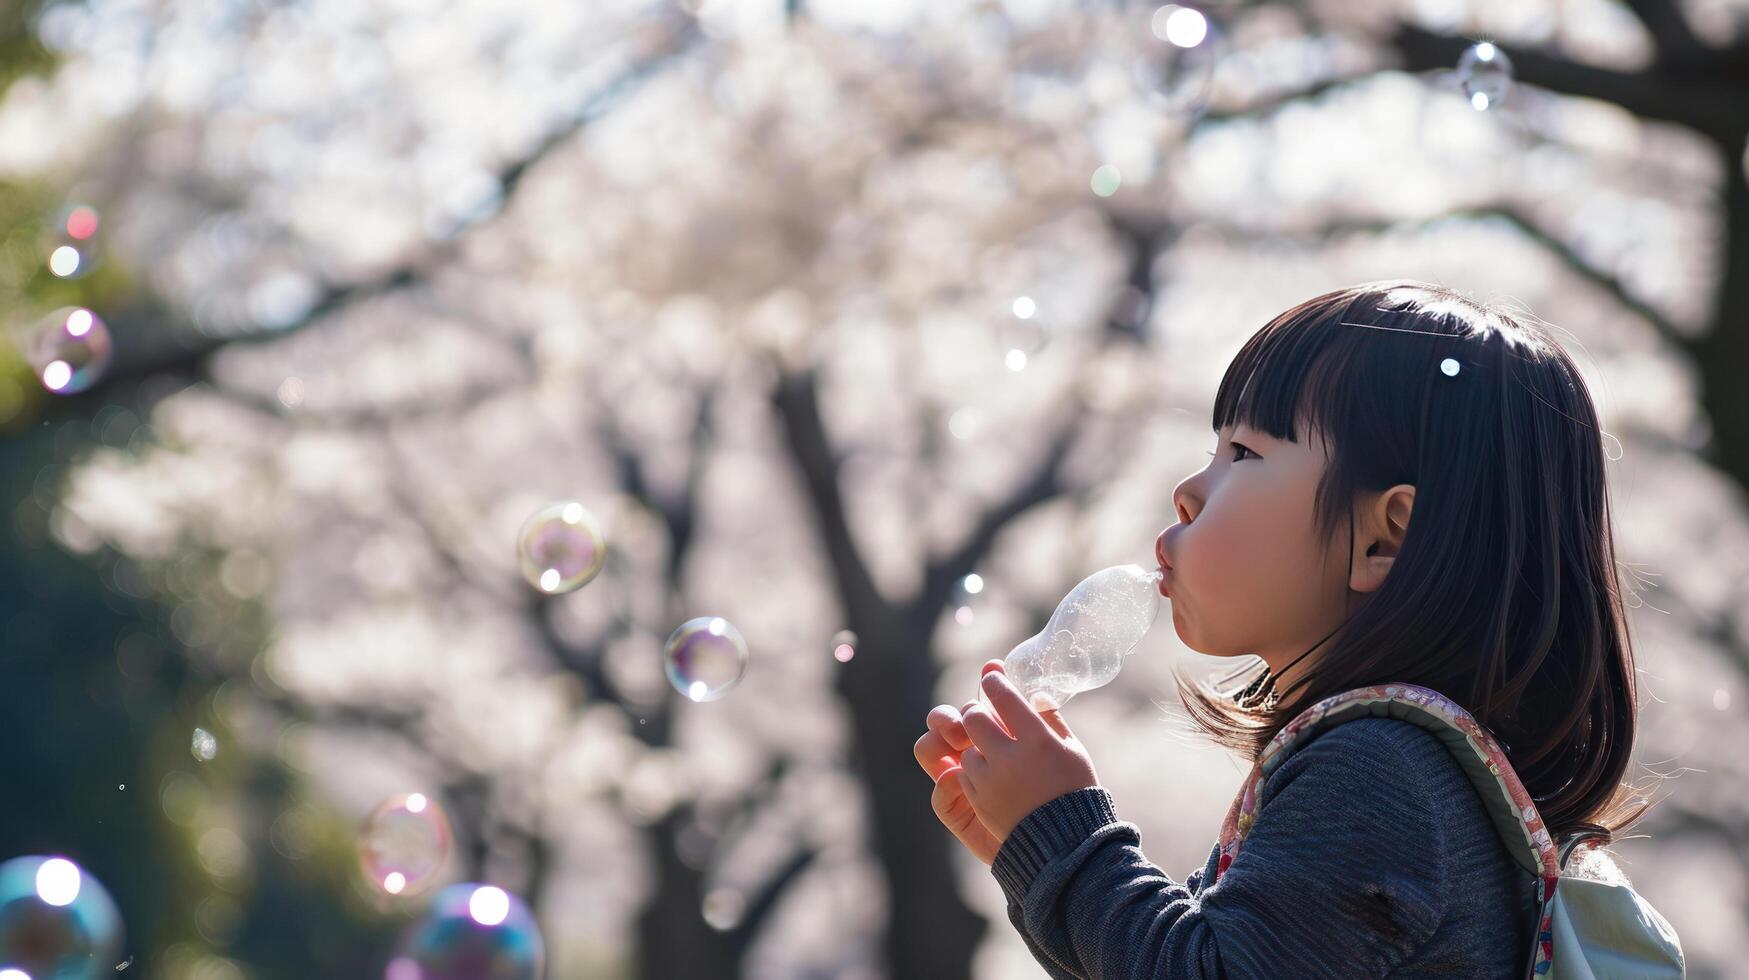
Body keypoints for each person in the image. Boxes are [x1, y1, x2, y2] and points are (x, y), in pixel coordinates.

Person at [914, 280, 1661, 977]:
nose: (1186, 491)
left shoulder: (1375, 772)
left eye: (1243, 452)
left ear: (1383, 537)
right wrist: (1034, 854)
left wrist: (1069, 845)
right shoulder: (1407, 767)